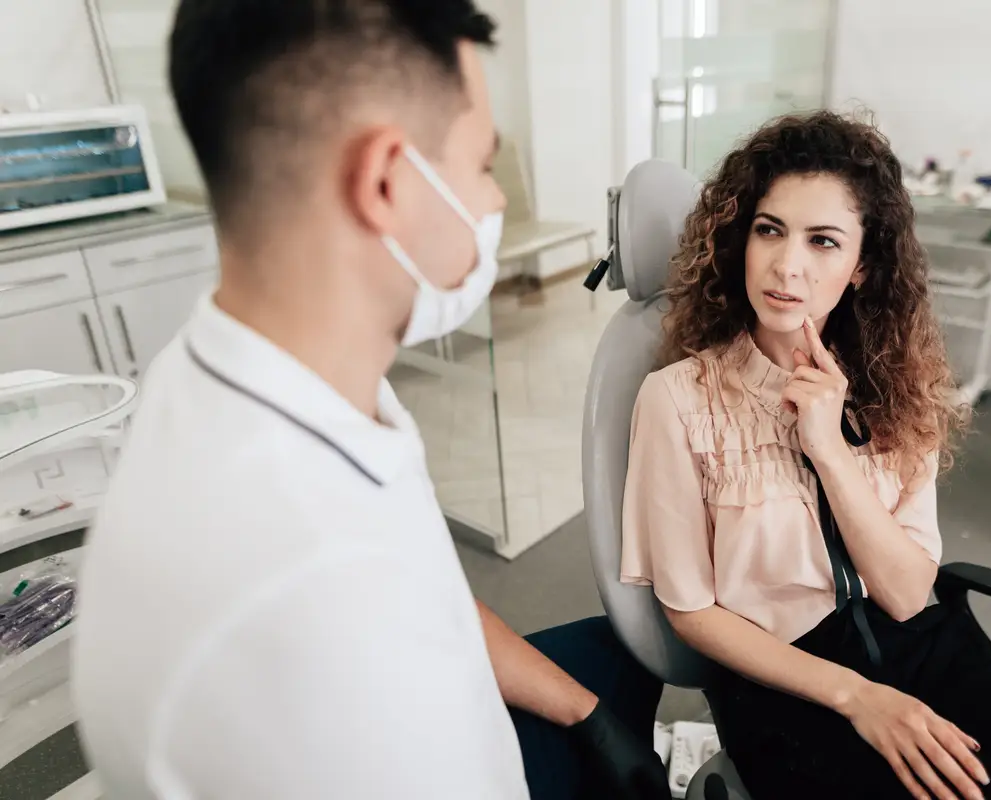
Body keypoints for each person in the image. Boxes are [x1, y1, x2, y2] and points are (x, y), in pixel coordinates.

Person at [72, 2, 668, 799]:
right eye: (481, 165)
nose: (493, 203)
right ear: (386, 182)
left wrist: (585, 713)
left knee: (612, 661)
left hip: (460, 711)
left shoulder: (252, 371)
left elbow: (437, 597)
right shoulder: (321, 619)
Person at [620, 111, 991, 800]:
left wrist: (828, 448)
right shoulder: (677, 399)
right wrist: (856, 696)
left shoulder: (898, 384)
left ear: (862, 267)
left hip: (930, 646)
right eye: (769, 229)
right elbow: (691, 612)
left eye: (823, 241)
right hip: (790, 693)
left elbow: (908, 592)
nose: (786, 264)